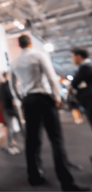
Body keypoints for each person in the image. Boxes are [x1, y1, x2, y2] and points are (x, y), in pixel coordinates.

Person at [9, 35, 88, 191]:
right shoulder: (39, 55)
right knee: (56, 139)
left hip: (28, 100)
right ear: (30, 43)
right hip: (44, 98)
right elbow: (52, 76)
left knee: (32, 140)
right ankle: (67, 183)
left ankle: (34, 177)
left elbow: (13, 86)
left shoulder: (14, 62)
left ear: (19, 45)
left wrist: (21, 100)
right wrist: (57, 96)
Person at [0, 73, 25, 154]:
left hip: (15, 107)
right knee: (9, 128)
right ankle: (10, 146)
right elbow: (4, 97)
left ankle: (27, 142)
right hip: (8, 108)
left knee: (21, 126)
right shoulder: (3, 85)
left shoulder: (14, 84)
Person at [71, 48, 92, 128]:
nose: (72, 59)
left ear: (79, 57)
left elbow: (74, 83)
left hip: (89, 99)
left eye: (73, 57)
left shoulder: (85, 68)